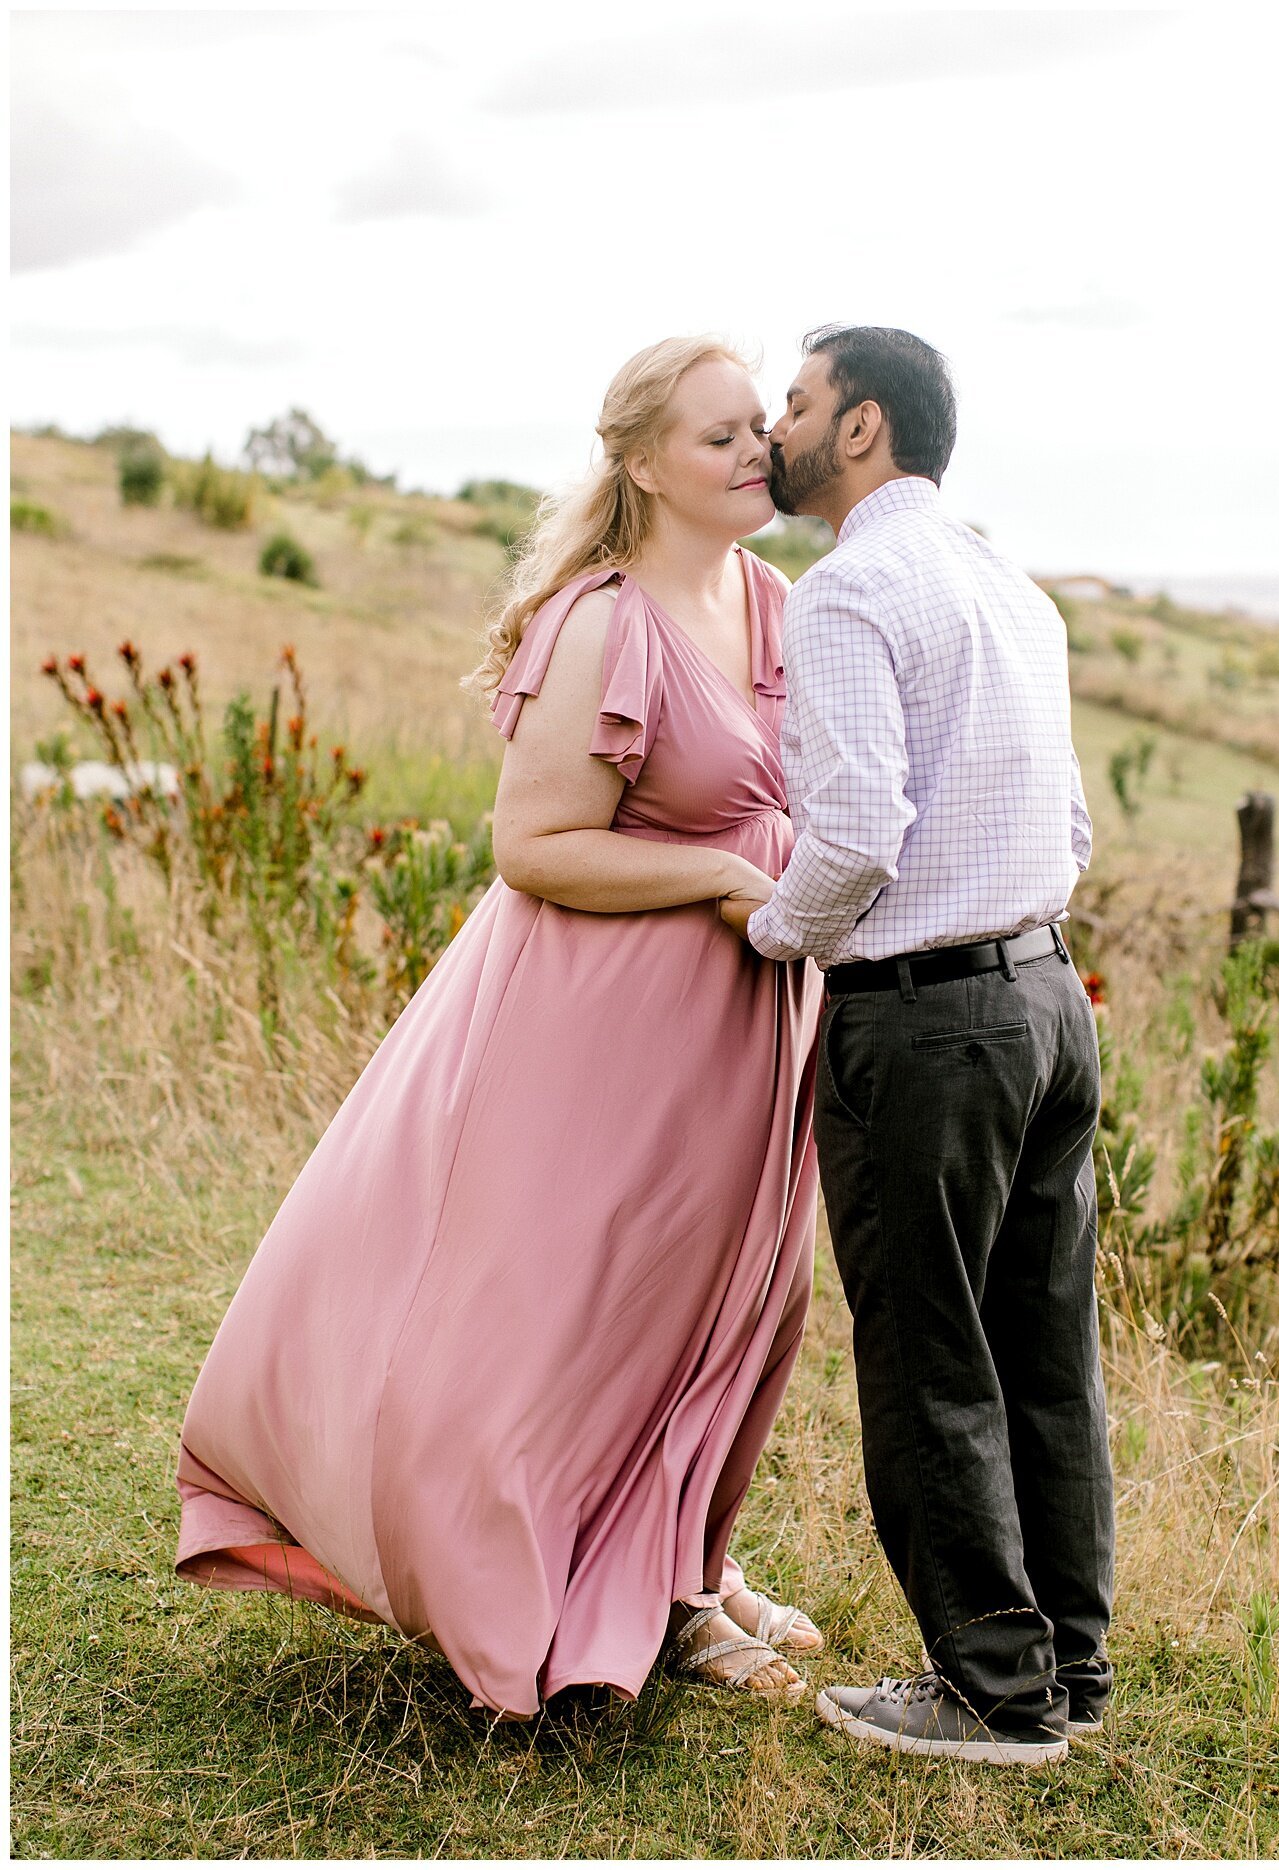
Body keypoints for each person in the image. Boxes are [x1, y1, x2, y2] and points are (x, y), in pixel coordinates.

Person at [175, 336, 827, 1717]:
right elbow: (534, 844)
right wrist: (719, 873)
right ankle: (561, 1584)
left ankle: (682, 1564)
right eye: (717, 438)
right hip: (598, 1031)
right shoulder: (600, 620)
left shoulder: (772, 598)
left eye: (758, 428)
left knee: (730, 1305)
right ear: (643, 462)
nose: (754, 452)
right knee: (572, 1305)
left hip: (749, 1026)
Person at [722, 325, 1114, 1766]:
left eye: (801, 404)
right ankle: (1067, 1667)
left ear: (865, 428)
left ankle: (993, 1696)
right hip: (1048, 1002)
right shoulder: (1008, 584)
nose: (778, 427)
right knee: (1046, 1354)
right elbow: (1067, 827)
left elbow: (857, 834)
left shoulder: (847, 594)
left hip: (928, 1021)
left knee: (930, 1355)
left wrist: (768, 933)